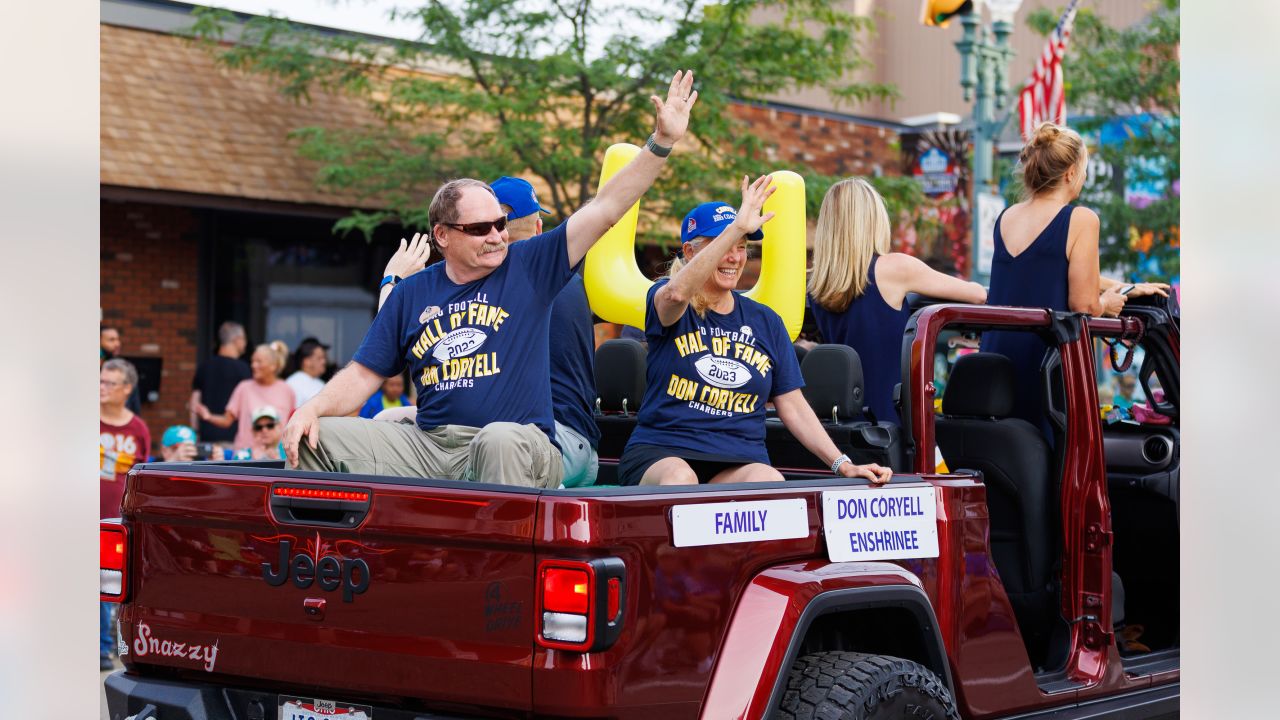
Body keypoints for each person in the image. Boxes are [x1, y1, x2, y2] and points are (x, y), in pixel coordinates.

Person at [284, 69, 702, 488]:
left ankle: (494, 556)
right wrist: (311, 409)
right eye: (480, 228)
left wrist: (661, 142)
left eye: (500, 224)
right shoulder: (413, 292)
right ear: (443, 236)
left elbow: (607, 208)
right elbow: (361, 376)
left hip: (524, 444)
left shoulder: (529, 266)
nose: (496, 236)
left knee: (498, 439)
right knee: (314, 439)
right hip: (431, 446)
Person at [618, 177, 893, 487]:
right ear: (690, 252)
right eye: (723, 244)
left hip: (737, 460)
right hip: (663, 455)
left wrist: (843, 464)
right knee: (681, 479)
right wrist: (736, 226)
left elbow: (793, 405)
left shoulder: (766, 321)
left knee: (769, 481)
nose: (735, 257)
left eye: (742, 246)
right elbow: (677, 295)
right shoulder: (667, 301)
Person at [980, 122, 1168, 433]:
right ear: (1070, 173)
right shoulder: (1081, 219)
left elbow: (1046, 269)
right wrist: (1106, 303)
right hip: (1045, 367)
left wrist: (1125, 288)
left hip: (997, 363)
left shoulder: (1008, 217)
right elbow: (1083, 304)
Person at [808, 177, 987, 424]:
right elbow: (978, 295)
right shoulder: (894, 268)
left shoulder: (817, 284)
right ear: (872, 221)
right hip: (890, 427)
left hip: (842, 428)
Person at [491, 175, 601, 488]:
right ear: (538, 227)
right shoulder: (566, 277)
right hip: (580, 446)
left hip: (550, 443)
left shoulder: (510, 281)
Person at [100, 358, 151, 671]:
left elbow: (139, 475)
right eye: (99, 382)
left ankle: (105, 646)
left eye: (109, 383)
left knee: (108, 583)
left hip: (114, 519)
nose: (101, 388)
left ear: (127, 389)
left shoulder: (137, 429)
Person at [197, 342, 296, 450]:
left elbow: (292, 424)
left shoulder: (287, 390)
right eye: (252, 361)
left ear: (273, 366)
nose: (253, 365)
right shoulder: (244, 388)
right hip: (245, 455)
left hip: (279, 456)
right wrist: (208, 416)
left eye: (259, 362)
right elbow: (227, 420)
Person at [190, 321, 251, 444]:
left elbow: (194, 403)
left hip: (206, 437)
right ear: (237, 339)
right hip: (234, 439)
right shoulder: (243, 369)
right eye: (244, 338)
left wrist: (194, 431)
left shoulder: (204, 366)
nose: (245, 342)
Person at [101, 324, 142, 414]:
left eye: (117, 339)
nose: (117, 344)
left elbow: (134, 407)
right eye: (111, 340)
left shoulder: (124, 369)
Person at [286, 337, 330, 408]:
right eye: (319, 358)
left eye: (324, 358)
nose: (324, 361)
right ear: (306, 361)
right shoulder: (293, 384)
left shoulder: (320, 383)